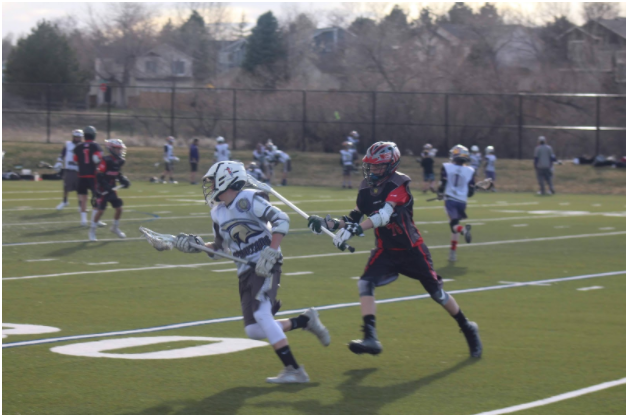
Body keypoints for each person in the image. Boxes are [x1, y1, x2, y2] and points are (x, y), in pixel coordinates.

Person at [307, 142, 482, 359]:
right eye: (370, 166)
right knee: (364, 283)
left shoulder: (399, 184)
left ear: (391, 166)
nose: (373, 170)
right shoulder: (365, 188)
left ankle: (467, 327)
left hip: (412, 250)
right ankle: (370, 336)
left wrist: (356, 229)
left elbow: (383, 216)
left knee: (437, 293)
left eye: (378, 166)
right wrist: (328, 223)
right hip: (386, 250)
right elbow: (353, 218)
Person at [179, 160, 330, 383]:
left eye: (212, 182)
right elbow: (219, 249)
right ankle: (305, 321)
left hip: (265, 263)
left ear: (226, 180)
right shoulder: (217, 213)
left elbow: (282, 219)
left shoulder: (248, 199)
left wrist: (272, 251)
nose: (209, 187)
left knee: (261, 314)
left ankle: (294, 370)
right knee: (255, 330)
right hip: (245, 270)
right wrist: (197, 246)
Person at [438, 145, 475, 262]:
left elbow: (443, 183)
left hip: (450, 200)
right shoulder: (470, 170)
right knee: (454, 225)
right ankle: (452, 253)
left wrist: (440, 192)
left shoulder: (447, 167)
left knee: (454, 226)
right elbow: (471, 192)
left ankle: (464, 230)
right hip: (462, 202)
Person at [89, 139, 130, 242]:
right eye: (117, 149)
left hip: (112, 188)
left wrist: (123, 180)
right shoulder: (106, 160)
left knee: (119, 209)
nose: (119, 151)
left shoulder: (119, 160)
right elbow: (99, 174)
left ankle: (114, 228)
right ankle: (92, 230)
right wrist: (105, 185)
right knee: (101, 210)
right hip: (102, 189)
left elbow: (117, 173)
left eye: (120, 149)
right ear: (111, 149)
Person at [73, 126, 106, 227]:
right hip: (93, 176)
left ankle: (83, 220)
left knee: (83, 198)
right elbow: (98, 159)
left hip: (81, 175)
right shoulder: (96, 146)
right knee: (97, 197)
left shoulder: (78, 146)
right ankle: (94, 220)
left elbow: (75, 160)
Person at [55, 129, 83, 210]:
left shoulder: (83, 146)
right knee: (66, 187)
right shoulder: (68, 144)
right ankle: (65, 201)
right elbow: (62, 154)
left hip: (79, 170)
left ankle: (80, 205)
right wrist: (59, 162)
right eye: (76, 137)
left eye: (79, 137)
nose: (77, 139)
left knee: (79, 188)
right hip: (69, 169)